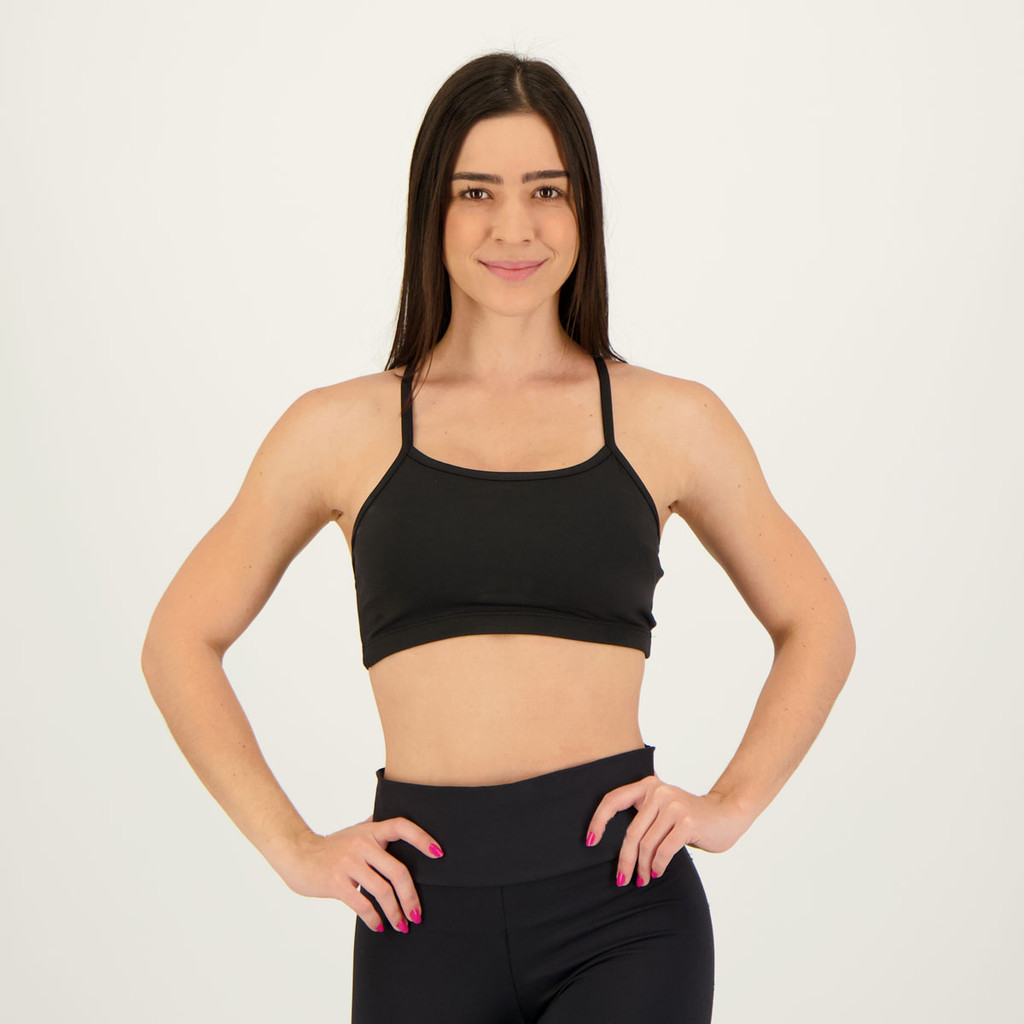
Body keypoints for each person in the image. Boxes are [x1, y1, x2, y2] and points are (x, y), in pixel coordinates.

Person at [141, 51, 856, 1023]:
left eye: (545, 191)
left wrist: (728, 806)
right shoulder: (339, 430)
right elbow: (179, 640)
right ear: (430, 212)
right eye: (475, 191)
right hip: (418, 914)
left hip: (625, 911)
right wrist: (293, 847)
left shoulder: (669, 420)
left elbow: (817, 624)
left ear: (583, 210)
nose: (513, 226)